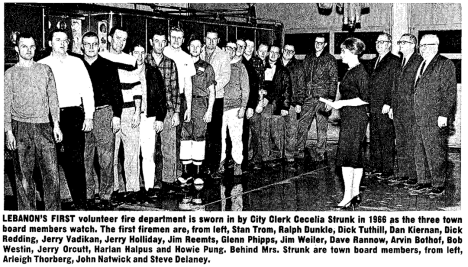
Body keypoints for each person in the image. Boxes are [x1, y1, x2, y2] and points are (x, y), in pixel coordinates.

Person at [4, 32, 63, 210]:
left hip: (44, 126)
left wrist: (57, 125)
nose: (28, 50)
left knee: (52, 175)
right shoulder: (10, 74)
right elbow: (5, 104)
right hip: (20, 127)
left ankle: (54, 216)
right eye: (24, 46)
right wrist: (8, 131)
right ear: (17, 49)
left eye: (31, 46)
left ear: (35, 48)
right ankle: (28, 216)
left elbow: (53, 98)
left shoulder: (45, 70)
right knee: (23, 177)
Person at [39, 29, 95, 210]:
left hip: (73, 115)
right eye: (58, 40)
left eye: (65, 40)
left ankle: (80, 202)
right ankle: (53, 205)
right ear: (50, 43)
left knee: (76, 161)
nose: (62, 43)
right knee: (49, 162)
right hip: (48, 117)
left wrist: (89, 116)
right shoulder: (41, 64)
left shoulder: (77, 62)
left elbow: (87, 90)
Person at [80, 31, 123, 209]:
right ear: (81, 46)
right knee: (85, 157)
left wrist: (116, 116)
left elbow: (116, 94)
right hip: (82, 115)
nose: (91, 47)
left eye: (94, 43)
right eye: (87, 44)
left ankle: (106, 196)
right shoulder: (76, 65)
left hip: (104, 113)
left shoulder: (109, 65)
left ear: (100, 45)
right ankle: (88, 195)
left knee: (106, 157)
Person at [99, 26, 142, 203]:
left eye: (124, 39)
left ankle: (132, 189)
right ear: (109, 38)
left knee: (132, 152)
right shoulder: (100, 57)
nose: (121, 42)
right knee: (111, 153)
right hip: (110, 111)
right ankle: (114, 189)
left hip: (129, 110)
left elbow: (136, 87)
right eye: (117, 38)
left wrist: (137, 112)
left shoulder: (131, 60)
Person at [410, 34, 457, 195]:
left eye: (425, 45)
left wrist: (444, 114)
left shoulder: (445, 64)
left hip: (434, 115)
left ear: (435, 46)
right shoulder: (422, 63)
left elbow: (449, 92)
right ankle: (423, 181)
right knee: (420, 149)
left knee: (435, 150)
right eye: (420, 46)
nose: (422, 49)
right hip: (418, 115)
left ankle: (438, 184)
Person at [327, 37, 369, 209]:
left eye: (343, 51)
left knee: (346, 157)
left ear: (352, 52)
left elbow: (365, 99)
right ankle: (355, 193)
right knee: (355, 157)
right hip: (352, 117)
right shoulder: (351, 70)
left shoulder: (360, 72)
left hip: (355, 118)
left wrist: (341, 103)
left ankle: (347, 197)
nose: (340, 54)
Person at [132, 43, 167, 199]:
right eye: (135, 53)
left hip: (148, 117)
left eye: (142, 53)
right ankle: (134, 188)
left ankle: (149, 187)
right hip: (131, 118)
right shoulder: (125, 71)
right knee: (132, 155)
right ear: (130, 53)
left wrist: (160, 117)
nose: (139, 56)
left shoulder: (153, 72)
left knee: (148, 154)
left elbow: (161, 97)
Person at [179, 37, 216, 185]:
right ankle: (186, 172)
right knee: (185, 137)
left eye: (198, 46)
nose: (195, 49)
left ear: (202, 49)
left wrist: (209, 111)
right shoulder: (183, 63)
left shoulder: (207, 67)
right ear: (188, 47)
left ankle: (198, 173)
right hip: (185, 103)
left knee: (199, 137)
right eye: (192, 46)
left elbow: (212, 91)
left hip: (201, 103)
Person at [146, 30, 180, 189]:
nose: (159, 44)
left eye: (162, 41)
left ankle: (168, 181)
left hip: (167, 110)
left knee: (169, 148)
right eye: (156, 41)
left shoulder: (170, 63)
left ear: (166, 43)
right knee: (148, 150)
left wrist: (176, 113)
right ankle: (148, 182)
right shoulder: (143, 60)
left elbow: (175, 89)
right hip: (148, 112)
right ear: (151, 42)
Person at [388, 34, 423, 185]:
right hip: (398, 109)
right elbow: (394, 88)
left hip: (411, 110)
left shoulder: (419, 62)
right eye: (400, 42)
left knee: (411, 142)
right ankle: (402, 173)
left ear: (412, 45)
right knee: (400, 142)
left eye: (403, 42)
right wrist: (391, 106)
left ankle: (413, 175)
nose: (400, 45)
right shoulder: (399, 62)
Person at [299, 35, 338, 161]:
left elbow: (333, 80)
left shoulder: (330, 59)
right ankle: (299, 150)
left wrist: (331, 99)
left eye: (320, 43)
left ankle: (320, 152)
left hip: (323, 98)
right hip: (309, 98)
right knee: (303, 125)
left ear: (325, 44)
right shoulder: (308, 57)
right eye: (316, 42)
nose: (318, 45)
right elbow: (302, 77)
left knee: (321, 127)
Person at [367, 33, 400, 178]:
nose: (379, 44)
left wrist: (389, 102)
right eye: (377, 42)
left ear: (389, 44)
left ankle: (387, 170)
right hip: (373, 105)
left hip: (384, 106)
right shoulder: (374, 61)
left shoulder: (394, 61)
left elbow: (394, 84)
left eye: (383, 42)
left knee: (386, 137)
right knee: (375, 137)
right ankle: (376, 166)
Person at [200, 30, 231, 175]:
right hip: (200, 98)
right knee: (201, 132)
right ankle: (202, 165)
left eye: (214, 39)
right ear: (204, 39)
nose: (211, 42)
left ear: (218, 40)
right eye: (208, 39)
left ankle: (215, 166)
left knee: (215, 133)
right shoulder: (197, 52)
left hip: (217, 97)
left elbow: (226, 76)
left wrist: (211, 88)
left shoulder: (224, 55)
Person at [218, 41, 250, 176]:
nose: (230, 50)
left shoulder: (240, 67)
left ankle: (238, 164)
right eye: (228, 48)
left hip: (235, 108)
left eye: (233, 48)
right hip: (219, 107)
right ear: (224, 49)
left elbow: (246, 89)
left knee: (236, 138)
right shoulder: (219, 65)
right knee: (220, 138)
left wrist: (243, 107)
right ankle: (221, 163)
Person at [260, 44, 292, 167]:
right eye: (271, 52)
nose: (273, 55)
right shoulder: (262, 67)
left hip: (276, 105)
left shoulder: (283, 71)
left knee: (276, 132)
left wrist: (285, 107)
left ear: (279, 55)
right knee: (264, 131)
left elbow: (287, 90)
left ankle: (277, 157)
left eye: (276, 53)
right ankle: (265, 157)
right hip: (263, 104)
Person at [280, 43, 306, 164]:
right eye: (286, 50)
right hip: (277, 102)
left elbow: (301, 86)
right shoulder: (276, 63)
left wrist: (299, 103)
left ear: (294, 53)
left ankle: (289, 154)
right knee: (276, 129)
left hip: (292, 102)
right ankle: (278, 153)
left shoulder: (298, 66)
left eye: (291, 51)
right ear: (282, 50)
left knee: (291, 129)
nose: (288, 52)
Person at [244, 40, 266, 169]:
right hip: (242, 103)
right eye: (247, 46)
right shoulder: (238, 60)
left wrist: (259, 101)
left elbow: (261, 84)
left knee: (256, 131)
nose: (249, 49)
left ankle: (256, 159)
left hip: (254, 101)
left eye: (252, 47)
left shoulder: (257, 62)